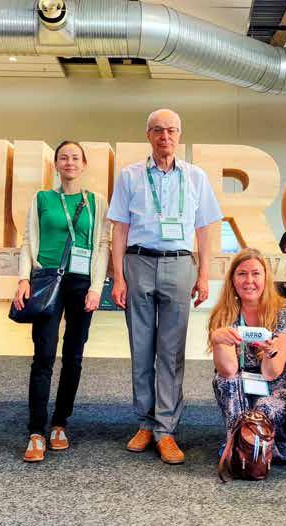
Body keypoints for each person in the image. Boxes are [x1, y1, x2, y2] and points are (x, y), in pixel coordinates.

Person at [107, 108, 224, 465]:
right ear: (148, 135)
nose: (165, 136)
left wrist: (203, 275)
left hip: (179, 263)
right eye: (158, 130)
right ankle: (145, 422)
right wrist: (118, 277)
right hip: (138, 262)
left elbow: (204, 229)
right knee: (141, 348)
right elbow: (119, 229)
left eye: (171, 130)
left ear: (179, 136)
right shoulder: (129, 176)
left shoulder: (196, 177)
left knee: (171, 352)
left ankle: (166, 428)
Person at [13, 141, 111, 462]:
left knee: (73, 356)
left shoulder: (96, 201)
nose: (69, 162)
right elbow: (28, 240)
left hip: (82, 284)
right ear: (55, 164)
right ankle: (36, 431)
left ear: (84, 165)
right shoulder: (42, 198)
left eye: (75, 158)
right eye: (63, 158)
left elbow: (102, 245)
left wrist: (96, 287)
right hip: (46, 281)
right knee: (43, 355)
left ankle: (59, 423)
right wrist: (23, 278)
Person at [208, 248, 286, 461]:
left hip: (275, 380)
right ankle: (240, 444)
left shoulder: (283, 312)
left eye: (256, 273)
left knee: (263, 409)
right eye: (242, 274)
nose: (249, 281)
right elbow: (228, 370)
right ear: (233, 279)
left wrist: (270, 353)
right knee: (226, 382)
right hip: (240, 377)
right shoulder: (224, 312)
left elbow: (271, 372)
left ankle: (264, 446)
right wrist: (217, 340)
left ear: (266, 278)